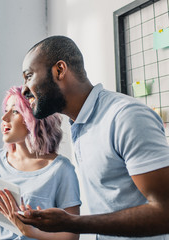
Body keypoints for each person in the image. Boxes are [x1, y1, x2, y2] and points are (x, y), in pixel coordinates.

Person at [17, 35, 169, 239]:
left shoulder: (125, 117)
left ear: (59, 70)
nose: (24, 89)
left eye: (28, 76)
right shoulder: (79, 123)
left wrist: (72, 223)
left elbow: (166, 212)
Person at [0, 86, 81, 240]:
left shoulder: (61, 170)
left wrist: (29, 232)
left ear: (35, 117)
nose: (4, 119)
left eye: (15, 111)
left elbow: (72, 235)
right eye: (6, 111)